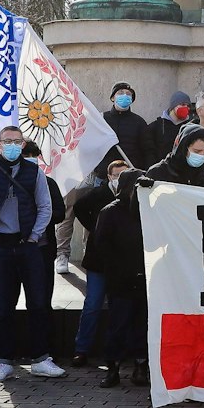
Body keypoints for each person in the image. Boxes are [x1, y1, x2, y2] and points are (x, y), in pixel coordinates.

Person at [0, 126, 65, 383]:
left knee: (37, 303)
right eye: (7, 141)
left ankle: (40, 358)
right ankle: (4, 361)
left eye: (16, 141)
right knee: (3, 307)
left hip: (28, 246)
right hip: (0, 247)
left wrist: (34, 237)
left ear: (23, 145)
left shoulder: (35, 173)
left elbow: (45, 207)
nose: (12, 145)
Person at [89, 156, 152, 388]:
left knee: (141, 325)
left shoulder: (150, 211)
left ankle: (140, 366)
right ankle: (113, 367)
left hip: (144, 278)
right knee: (118, 325)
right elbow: (102, 245)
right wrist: (119, 268)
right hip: (121, 280)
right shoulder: (110, 212)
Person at [70, 157, 131, 368]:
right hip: (98, 260)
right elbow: (78, 208)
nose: (119, 179)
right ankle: (81, 349)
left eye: (124, 175)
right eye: (116, 175)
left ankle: (115, 352)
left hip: (122, 262)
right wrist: (95, 229)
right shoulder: (98, 195)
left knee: (119, 307)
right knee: (92, 305)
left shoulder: (132, 196)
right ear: (109, 177)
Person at [101, 81, 152, 170]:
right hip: (104, 174)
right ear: (113, 97)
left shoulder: (139, 122)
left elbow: (148, 150)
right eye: (120, 93)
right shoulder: (102, 119)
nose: (125, 95)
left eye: (128, 94)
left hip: (131, 173)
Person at [144, 89, 193, 167]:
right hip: (160, 171)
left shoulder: (190, 127)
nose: (186, 108)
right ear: (173, 106)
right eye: (183, 104)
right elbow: (149, 152)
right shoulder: (156, 126)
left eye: (188, 106)